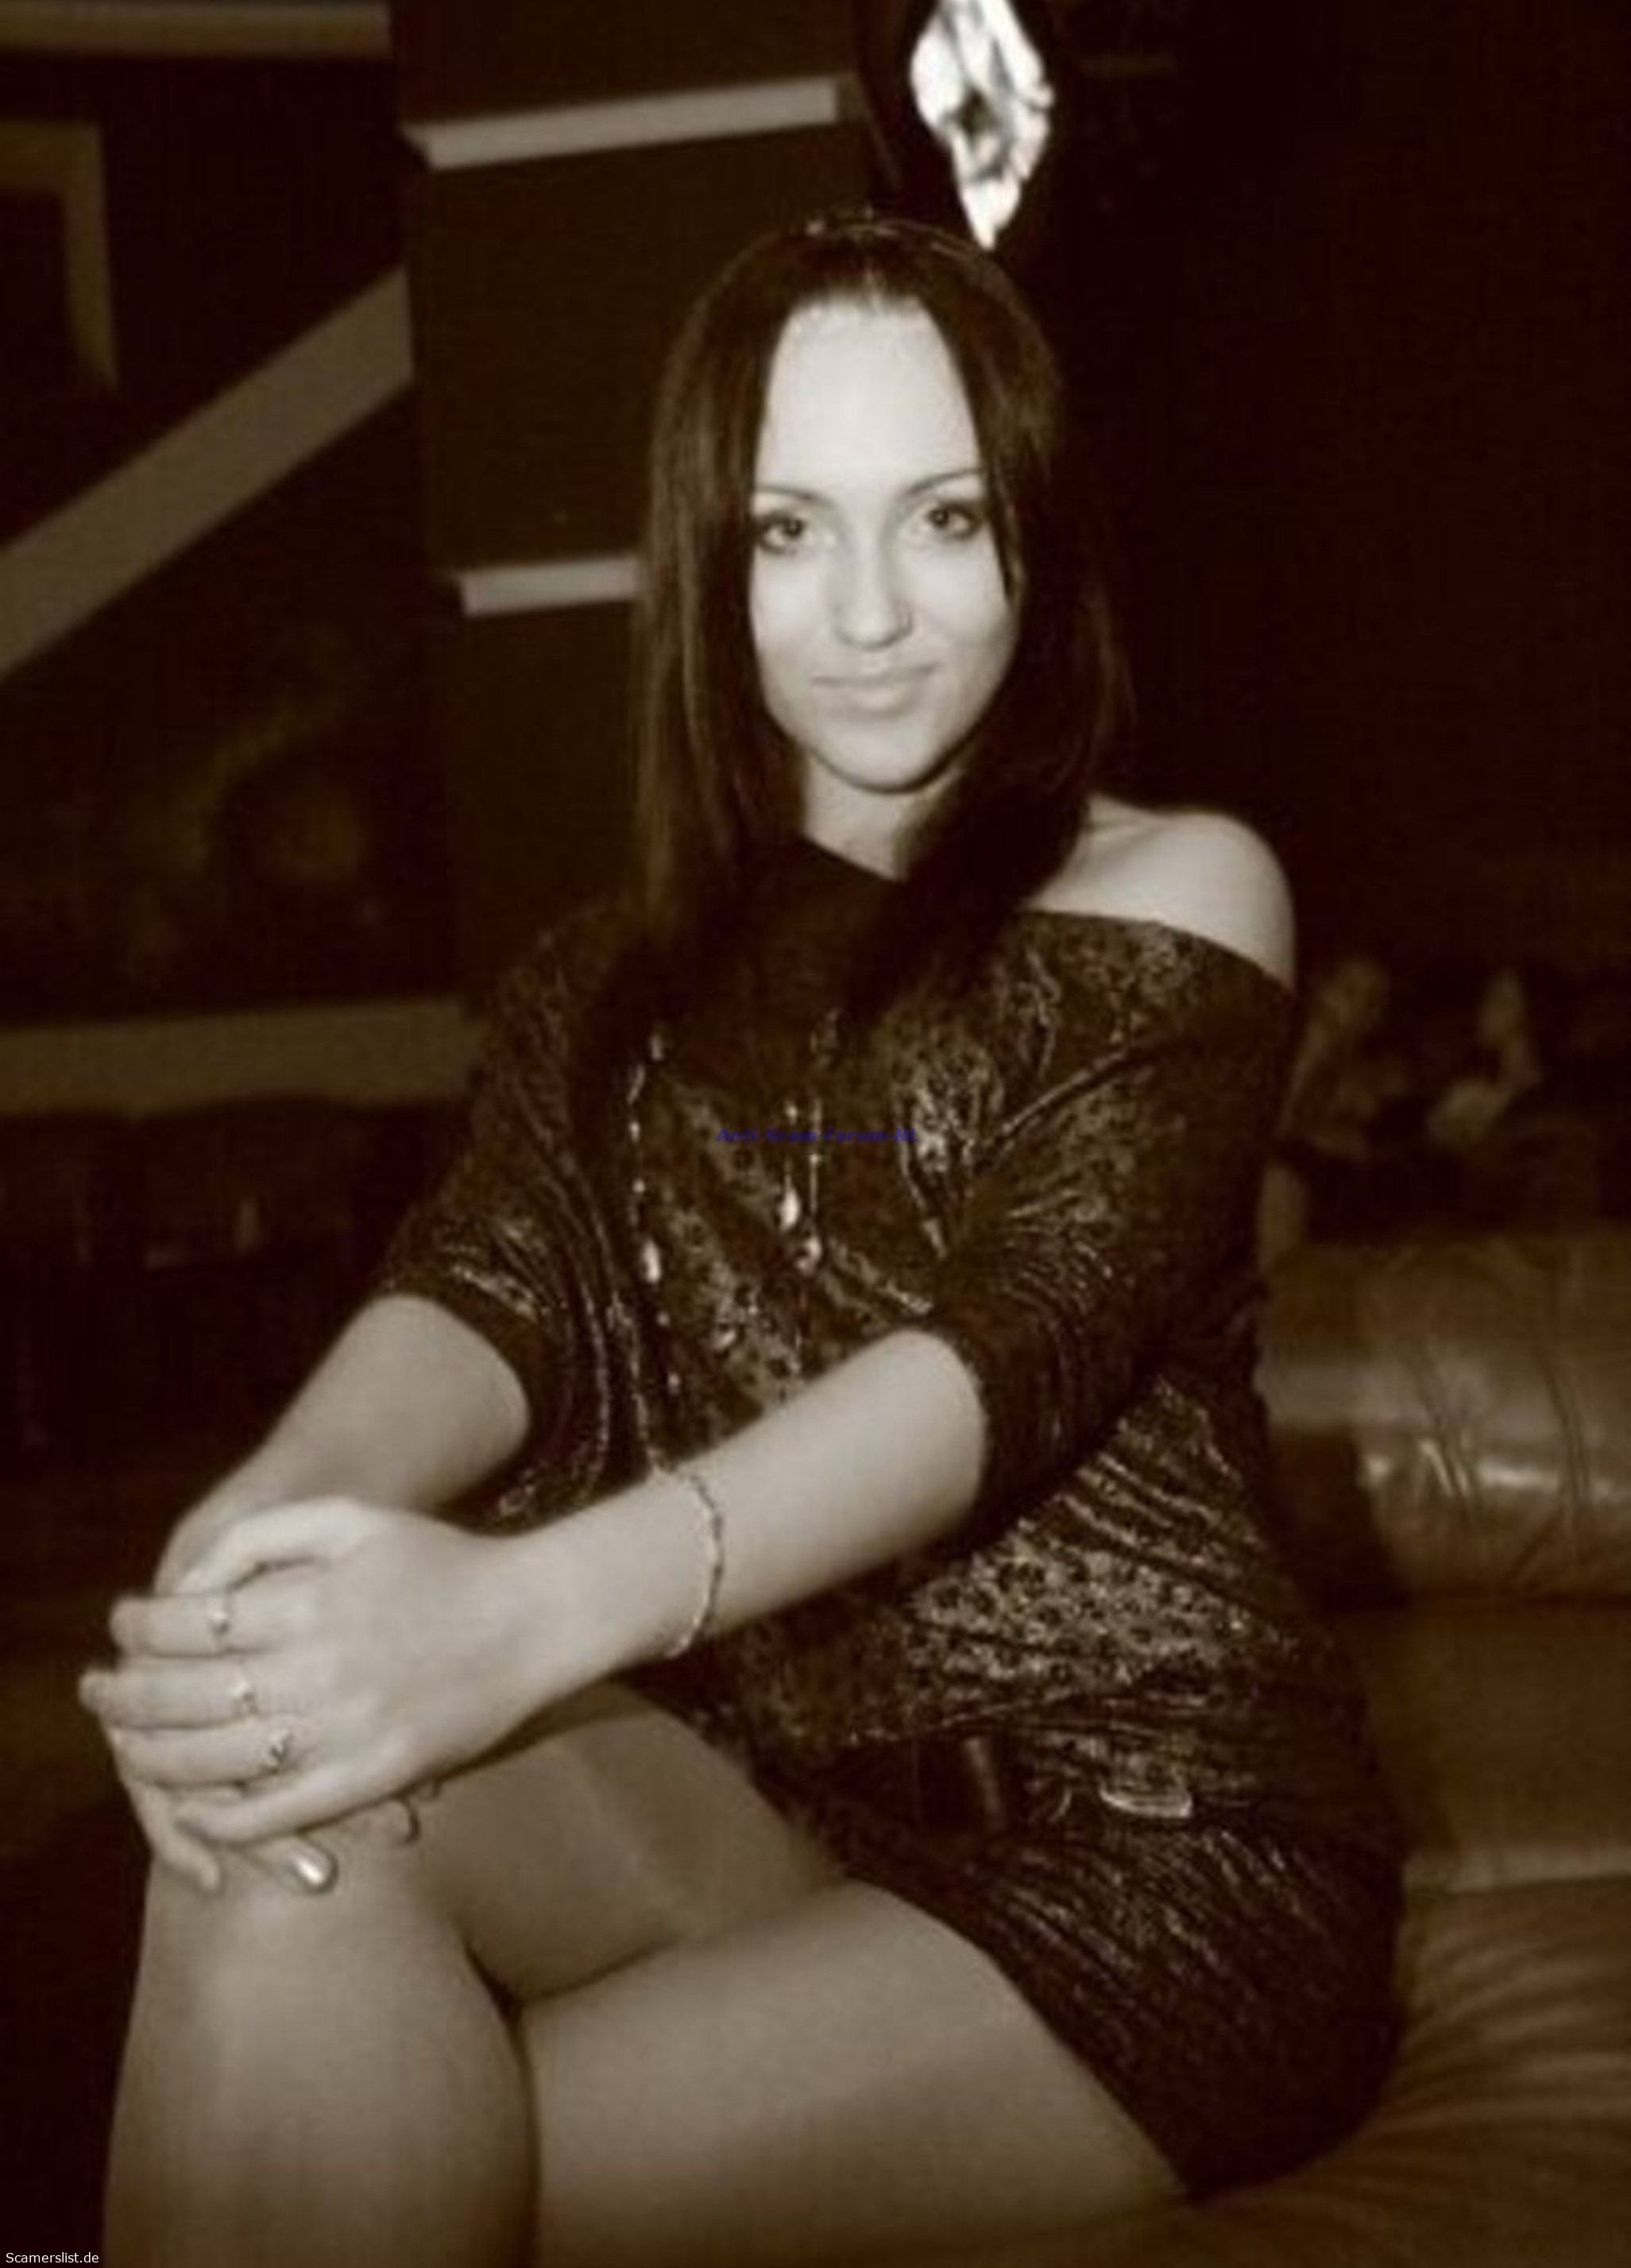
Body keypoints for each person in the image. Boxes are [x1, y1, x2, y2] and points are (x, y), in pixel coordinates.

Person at [81, 211, 1401, 2268]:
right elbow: (490, 1275)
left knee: (383, 2163)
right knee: (276, 1807)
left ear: (1038, 542)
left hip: (1160, 1854)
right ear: (711, 561)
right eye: (792, 531)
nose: (870, 612)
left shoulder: (1180, 891)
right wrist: (250, 1547)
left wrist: (522, 1614)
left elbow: (1007, 1347)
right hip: (776, 1803)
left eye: (943, 519)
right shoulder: (601, 979)